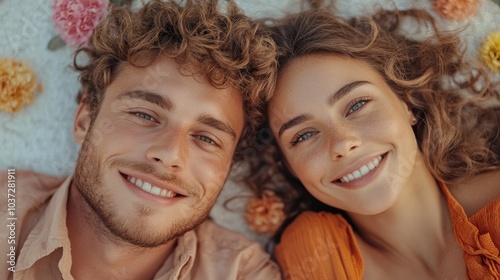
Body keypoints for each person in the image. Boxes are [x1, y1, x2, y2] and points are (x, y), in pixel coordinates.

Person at [0, 0, 282, 279]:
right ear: (85, 120)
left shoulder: (243, 273)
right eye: (145, 115)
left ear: (230, 165)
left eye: (207, 138)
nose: (171, 154)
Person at [244, 2, 500, 279]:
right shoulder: (318, 250)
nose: (342, 143)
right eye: (303, 135)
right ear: (289, 166)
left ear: (406, 103)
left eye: (357, 105)